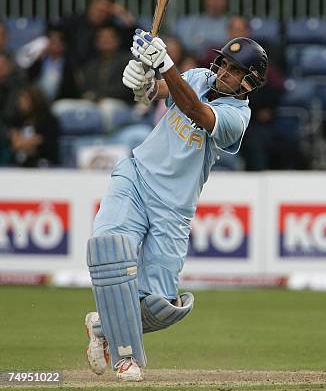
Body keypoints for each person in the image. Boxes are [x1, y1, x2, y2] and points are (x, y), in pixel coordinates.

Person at [83, 29, 267, 382]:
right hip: (136, 177)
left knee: (160, 306)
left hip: (173, 209)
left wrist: (164, 64)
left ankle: (102, 327)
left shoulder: (236, 118)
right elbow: (164, 93)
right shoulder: (199, 76)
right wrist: (145, 84)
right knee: (110, 249)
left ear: (249, 83)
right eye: (223, 62)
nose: (222, 71)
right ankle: (126, 358)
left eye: (233, 69)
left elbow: (195, 110)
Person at [7, 86, 59, 167]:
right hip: (18, 162)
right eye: (20, 99)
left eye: (25, 99)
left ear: (34, 100)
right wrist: (29, 142)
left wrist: (24, 142)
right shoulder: (17, 118)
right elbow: (14, 142)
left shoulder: (48, 119)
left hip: (44, 161)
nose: (21, 102)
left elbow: (46, 140)